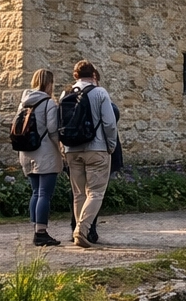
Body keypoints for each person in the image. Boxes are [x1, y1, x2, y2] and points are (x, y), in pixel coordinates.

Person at [60, 60, 119, 248]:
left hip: (72, 149)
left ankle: (79, 231)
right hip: (97, 147)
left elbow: (60, 123)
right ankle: (82, 230)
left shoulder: (66, 94)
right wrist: (111, 145)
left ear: (75, 75)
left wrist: (63, 147)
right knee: (95, 192)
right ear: (94, 74)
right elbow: (109, 123)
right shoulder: (100, 93)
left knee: (78, 194)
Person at [13, 68, 62, 246]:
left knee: (35, 192)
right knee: (44, 194)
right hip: (45, 152)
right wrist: (61, 149)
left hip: (26, 152)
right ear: (49, 83)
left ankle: (36, 228)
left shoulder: (24, 102)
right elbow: (53, 130)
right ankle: (41, 232)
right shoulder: (48, 103)